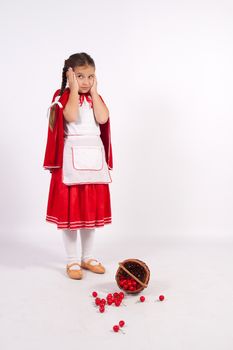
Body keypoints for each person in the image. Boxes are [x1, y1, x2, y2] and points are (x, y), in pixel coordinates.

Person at [43, 52, 113, 280]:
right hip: (70, 162)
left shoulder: (95, 97)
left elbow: (102, 119)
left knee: (89, 212)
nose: (85, 81)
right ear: (70, 75)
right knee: (71, 214)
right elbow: (71, 116)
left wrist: (94, 92)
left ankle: (88, 257)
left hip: (93, 159)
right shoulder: (62, 97)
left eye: (90, 76)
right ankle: (72, 260)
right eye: (80, 76)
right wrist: (73, 89)